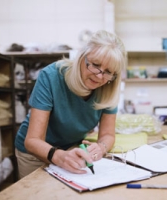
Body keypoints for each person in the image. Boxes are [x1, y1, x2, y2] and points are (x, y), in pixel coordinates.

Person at [14, 30, 127, 179]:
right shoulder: (51, 76)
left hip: (71, 150)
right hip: (35, 154)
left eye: (108, 72)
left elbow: (107, 134)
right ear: (81, 56)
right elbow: (33, 141)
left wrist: (101, 148)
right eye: (95, 65)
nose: (99, 76)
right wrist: (59, 156)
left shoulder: (108, 88)